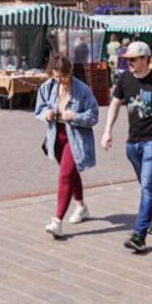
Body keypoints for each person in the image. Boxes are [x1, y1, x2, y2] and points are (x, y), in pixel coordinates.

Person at [101, 41, 152, 253]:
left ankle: (139, 234)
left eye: (133, 59)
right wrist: (108, 130)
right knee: (148, 183)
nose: (128, 63)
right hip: (133, 143)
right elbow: (116, 103)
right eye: (127, 59)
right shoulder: (125, 79)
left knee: (146, 185)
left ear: (145, 59)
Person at [35, 54, 99, 239]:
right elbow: (38, 110)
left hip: (76, 138)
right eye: (55, 76)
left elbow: (94, 115)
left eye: (62, 76)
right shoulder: (48, 87)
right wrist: (46, 114)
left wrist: (75, 116)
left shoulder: (82, 89)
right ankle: (81, 206)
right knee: (70, 173)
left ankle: (57, 221)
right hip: (56, 138)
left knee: (64, 175)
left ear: (69, 72)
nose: (59, 80)